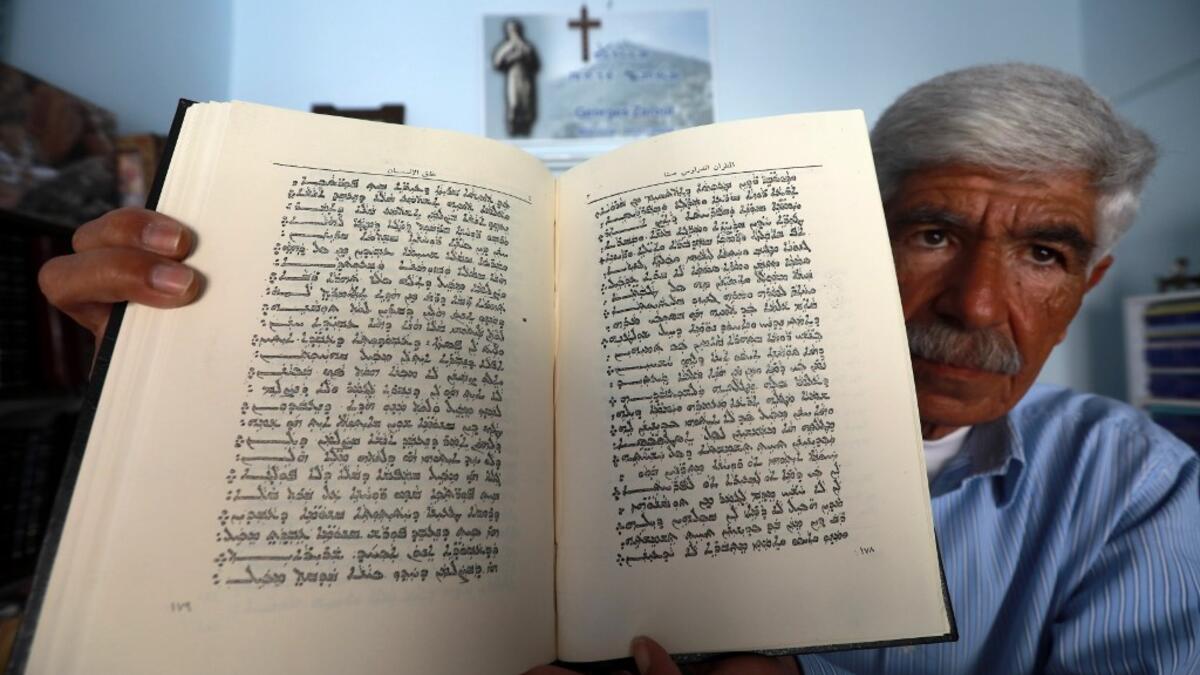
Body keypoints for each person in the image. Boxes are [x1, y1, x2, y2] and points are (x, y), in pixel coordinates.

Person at [37, 63, 1199, 674]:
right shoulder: (633, 404)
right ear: (840, 225)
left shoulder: (1131, 489)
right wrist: (169, 400)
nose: (979, 305)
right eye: (932, 233)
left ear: (1090, 284)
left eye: (1044, 252)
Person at [492, 18, 539, 137]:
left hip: (526, 78)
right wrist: (513, 56)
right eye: (511, 30)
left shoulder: (527, 46)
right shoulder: (506, 47)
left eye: (515, 29)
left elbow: (535, 64)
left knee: (526, 103)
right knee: (514, 103)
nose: (514, 32)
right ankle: (513, 129)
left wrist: (525, 55)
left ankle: (526, 129)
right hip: (513, 78)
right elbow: (497, 62)